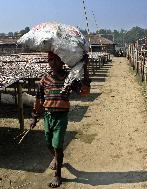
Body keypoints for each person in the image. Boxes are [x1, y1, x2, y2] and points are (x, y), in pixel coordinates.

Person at [30, 51, 90, 188]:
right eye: (51, 60)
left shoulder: (69, 78)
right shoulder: (44, 79)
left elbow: (84, 92)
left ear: (62, 62)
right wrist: (34, 117)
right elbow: (39, 100)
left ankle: (57, 175)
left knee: (57, 145)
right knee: (48, 143)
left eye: (56, 60)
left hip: (61, 117)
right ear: (48, 62)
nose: (53, 63)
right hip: (47, 116)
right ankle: (57, 158)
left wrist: (85, 67)